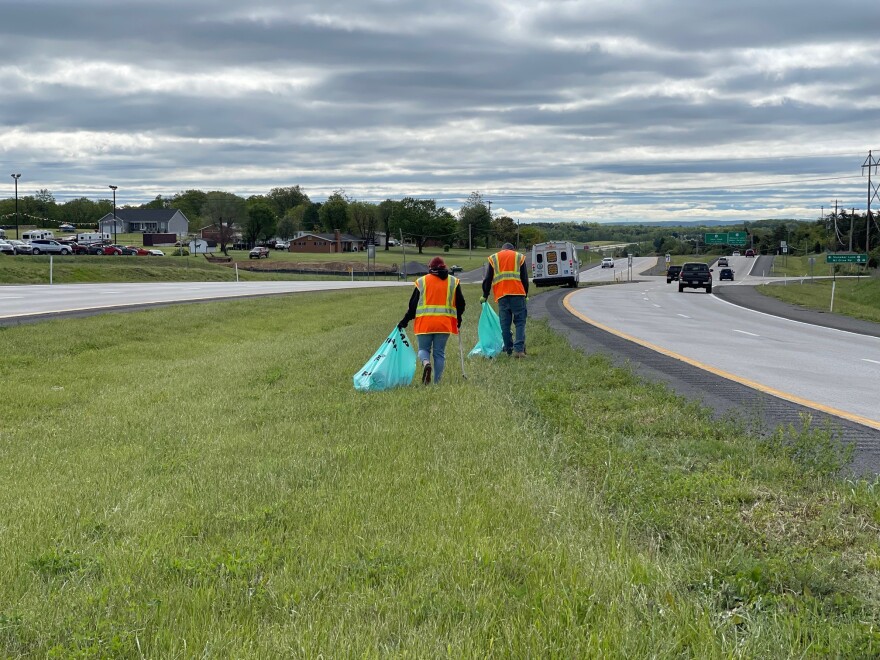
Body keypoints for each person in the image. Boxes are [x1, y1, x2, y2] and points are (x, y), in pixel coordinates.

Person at [398, 257, 466, 384]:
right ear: (444, 267)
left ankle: (426, 363)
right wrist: (459, 318)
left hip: (425, 324)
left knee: (423, 350)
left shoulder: (422, 281)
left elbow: (413, 306)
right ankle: (436, 382)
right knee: (439, 353)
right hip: (444, 324)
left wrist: (404, 321)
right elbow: (461, 304)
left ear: (430, 268)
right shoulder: (453, 281)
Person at [482, 242, 528, 357]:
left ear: (502, 249)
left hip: (502, 296)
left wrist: (485, 295)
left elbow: (488, 279)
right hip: (518, 294)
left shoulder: (494, 258)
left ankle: (508, 349)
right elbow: (524, 278)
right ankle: (519, 350)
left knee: (505, 325)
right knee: (520, 322)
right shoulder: (519, 257)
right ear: (513, 249)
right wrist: (526, 294)